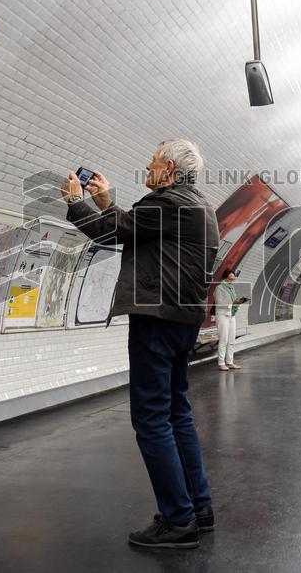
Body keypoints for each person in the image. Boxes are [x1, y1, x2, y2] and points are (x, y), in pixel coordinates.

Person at [61, 139, 219, 550]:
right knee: (177, 413)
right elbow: (133, 226)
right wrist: (106, 200)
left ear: (167, 168)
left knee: (151, 420)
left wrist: (79, 203)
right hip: (184, 321)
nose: (147, 167)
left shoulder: (166, 203)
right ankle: (198, 508)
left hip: (156, 319)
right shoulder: (198, 204)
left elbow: (110, 231)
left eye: (152, 161)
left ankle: (177, 520)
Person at [213, 268, 246, 370]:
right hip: (222, 315)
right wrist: (233, 303)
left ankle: (230, 362)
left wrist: (238, 302)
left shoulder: (231, 288)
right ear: (225, 278)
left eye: (233, 279)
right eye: (230, 279)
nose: (232, 281)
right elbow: (219, 302)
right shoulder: (219, 288)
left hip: (232, 315)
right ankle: (221, 363)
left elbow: (232, 300)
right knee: (223, 339)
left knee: (231, 339)